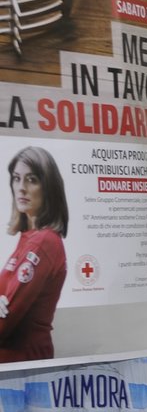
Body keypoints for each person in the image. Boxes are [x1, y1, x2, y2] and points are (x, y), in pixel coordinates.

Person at [0, 146, 69, 364]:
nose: (21, 188)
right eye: (16, 178)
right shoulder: (27, 238)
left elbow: (4, 322)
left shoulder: (43, 242)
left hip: (23, 370)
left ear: (48, 187)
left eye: (31, 180)